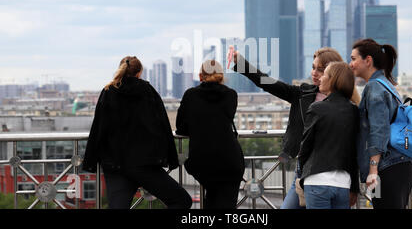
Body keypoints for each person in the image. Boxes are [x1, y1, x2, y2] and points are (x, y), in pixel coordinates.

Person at [231, 47, 360, 209]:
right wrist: (242, 65)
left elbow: (353, 148)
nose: (314, 73)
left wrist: (354, 186)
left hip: (335, 176)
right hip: (304, 169)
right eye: (313, 68)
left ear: (332, 73)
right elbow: (269, 83)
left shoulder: (348, 106)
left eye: (320, 70)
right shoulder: (303, 93)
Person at [82, 56, 192, 209]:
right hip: (144, 163)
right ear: (139, 72)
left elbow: (99, 128)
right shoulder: (147, 90)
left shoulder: (108, 91)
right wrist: (167, 156)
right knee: (182, 201)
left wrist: (93, 159)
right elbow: (161, 125)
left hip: (115, 165)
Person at [350, 39, 412, 209]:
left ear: (368, 60)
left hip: (385, 170)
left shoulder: (374, 87)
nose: (350, 64)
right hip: (399, 166)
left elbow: (379, 130)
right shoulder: (386, 84)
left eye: (353, 58)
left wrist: (373, 171)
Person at [175, 60, 245, 209]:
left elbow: (180, 128)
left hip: (202, 162)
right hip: (229, 161)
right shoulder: (231, 95)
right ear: (221, 76)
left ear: (200, 76)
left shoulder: (190, 95)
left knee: (212, 200)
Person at [298, 62, 360, 209]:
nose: (321, 78)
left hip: (316, 180)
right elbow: (354, 153)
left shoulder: (317, 108)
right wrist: (354, 188)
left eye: (324, 74)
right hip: (343, 184)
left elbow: (305, 147)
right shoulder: (354, 111)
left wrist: (302, 174)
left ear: (333, 80)